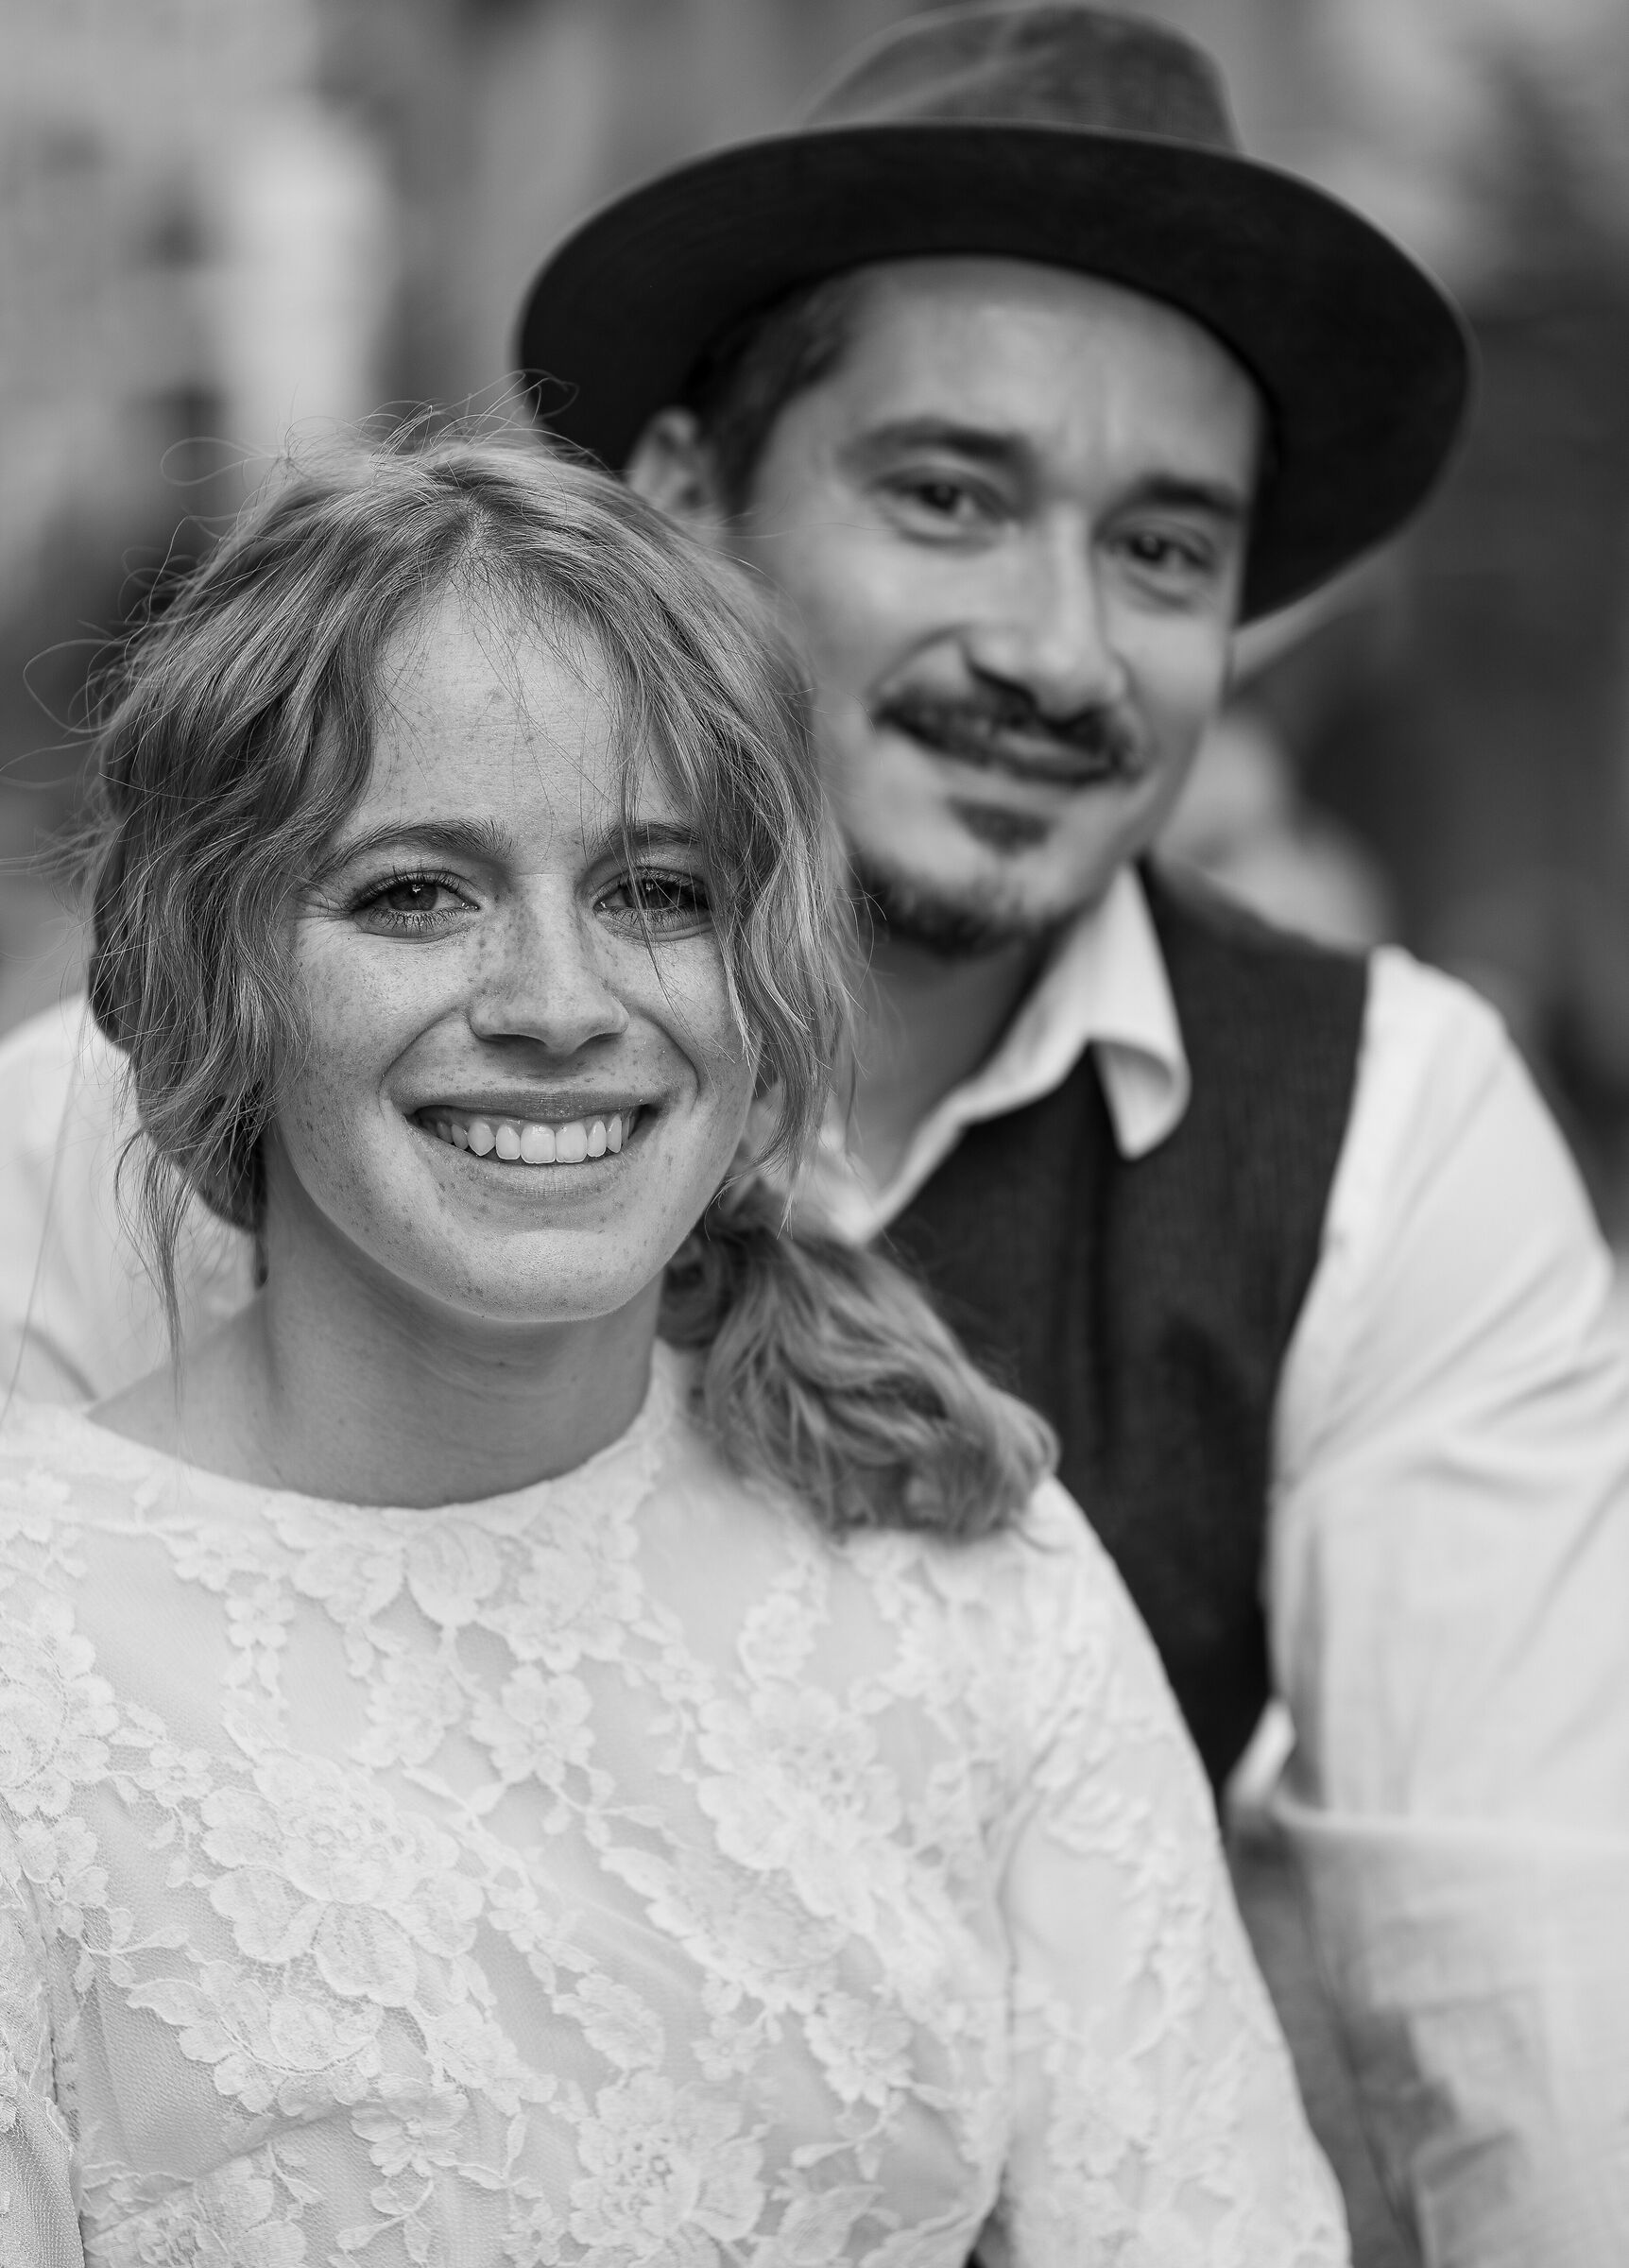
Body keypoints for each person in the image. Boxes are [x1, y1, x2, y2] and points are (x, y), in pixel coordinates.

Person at [0, 5, 1625, 2259]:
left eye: (1165, 552)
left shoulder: (1381, 1141)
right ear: (678, 496)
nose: (1056, 648)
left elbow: (1535, 2032)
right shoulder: (119, 1138)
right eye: (945, 495)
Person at [0, 435, 1347, 2263]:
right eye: (416, 892)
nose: (559, 1004)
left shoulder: (961, 1584)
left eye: (655, 891)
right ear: (213, 977)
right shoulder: (35, 1664)